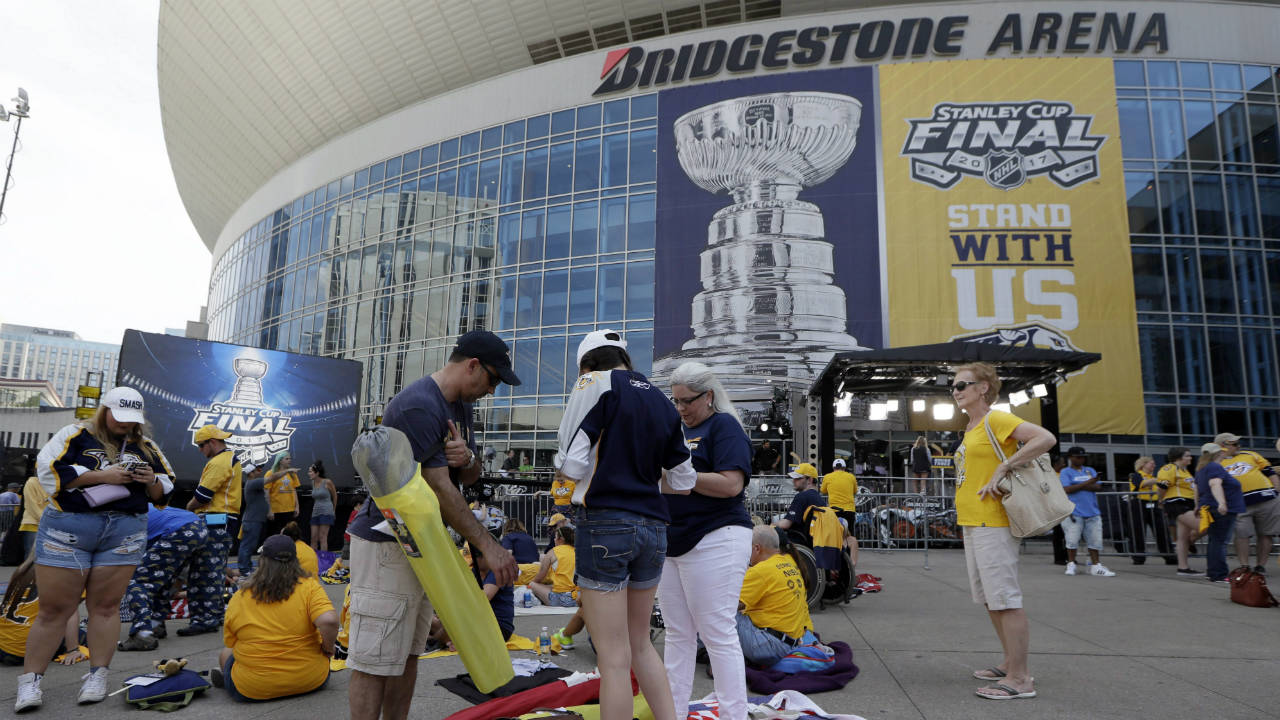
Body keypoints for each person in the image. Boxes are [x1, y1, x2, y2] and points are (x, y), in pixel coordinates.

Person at [345, 330, 519, 720]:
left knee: (408, 653)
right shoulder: (419, 406)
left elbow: (468, 478)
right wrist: (489, 547)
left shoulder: (459, 406)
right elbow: (438, 488)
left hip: (422, 544)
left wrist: (468, 457)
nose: (492, 391)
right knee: (374, 660)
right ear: (472, 365)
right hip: (388, 543)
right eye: (492, 380)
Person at [554, 329, 696, 720]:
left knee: (613, 657)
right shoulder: (662, 400)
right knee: (641, 644)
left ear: (586, 363)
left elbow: (570, 463)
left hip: (605, 523)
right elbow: (684, 481)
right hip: (654, 527)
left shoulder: (591, 383)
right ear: (625, 359)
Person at [18, 387, 175, 711]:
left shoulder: (146, 446)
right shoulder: (74, 434)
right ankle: (30, 682)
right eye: (118, 416)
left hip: (125, 529)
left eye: (131, 419)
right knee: (54, 610)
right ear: (104, 410)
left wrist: (148, 479)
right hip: (70, 527)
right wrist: (103, 475)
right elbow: (47, 472)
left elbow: (164, 490)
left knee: (106, 607)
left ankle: (97, 676)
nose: (124, 424)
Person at [951, 362, 1055, 701]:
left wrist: (1006, 465)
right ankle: (1011, 662)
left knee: (1005, 599)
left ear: (983, 388)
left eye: (963, 384)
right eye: (953, 386)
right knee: (990, 600)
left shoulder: (996, 419)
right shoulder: (972, 426)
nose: (956, 391)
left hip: (992, 521)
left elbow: (1045, 438)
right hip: (974, 520)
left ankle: (1021, 678)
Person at [658, 360, 753, 720]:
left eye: (688, 401)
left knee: (716, 632)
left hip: (717, 535)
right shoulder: (676, 429)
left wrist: (680, 477)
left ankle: (734, 715)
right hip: (674, 540)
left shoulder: (724, 426)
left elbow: (731, 484)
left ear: (709, 396)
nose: (681, 408)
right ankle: (673, 713)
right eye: (676, 401)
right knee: (677, 633)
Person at [214, 535, 338, 702]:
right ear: (295, 559)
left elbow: (231, 641)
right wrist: (328, 647)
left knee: (226, 652)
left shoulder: (241, 595)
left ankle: (228, 678)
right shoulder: (310, 587)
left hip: (252, 689)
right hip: (311, 680)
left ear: (263, 560)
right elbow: (329, 621)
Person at [118, 504, 208, 651]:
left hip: (178, 530)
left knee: (138, 581)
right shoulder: (134, 505)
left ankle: (142, 634)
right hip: (197, 527)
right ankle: (155, 624)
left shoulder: (116, 517)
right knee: (162, 579)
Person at [182, 424, 243, 636]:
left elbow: (202, 496)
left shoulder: (219, 462)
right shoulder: (228, 459)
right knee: (214, 570)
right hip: (224, 520)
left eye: (201, 445)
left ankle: (204, 619)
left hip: (216, 520)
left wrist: (188, 510)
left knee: (204, 570)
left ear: (212, 442)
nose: (200, 450)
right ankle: (214, 615)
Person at [735, 526, 814, 667]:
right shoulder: (790, 565)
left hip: (768, 646)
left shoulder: (761, 571)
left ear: (757, 548)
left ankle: (709, 653)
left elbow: (729, 606)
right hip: (791, 643)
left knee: (715, 613)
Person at [0, 553, 84, 667]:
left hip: (4, 641)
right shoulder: (65, 575)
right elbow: (70, 614)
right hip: (24, 647)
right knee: (87, 636)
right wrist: (73, 650)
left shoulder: (23, 569)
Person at [1214, 433, 1279, 573]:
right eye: (1235, 444)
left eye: (1238, 443)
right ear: (1222, 446)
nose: (1239, 446)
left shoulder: (1251, 455)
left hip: (1267, 499)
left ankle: (1261, 566)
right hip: (1239, 503)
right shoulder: (1216, 462)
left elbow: (1270, 473)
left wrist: (1277, 492)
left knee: (1266, 533)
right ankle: (1244, 565)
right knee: (1242, 534)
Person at [1060, 446, 1115, 577]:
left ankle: (1096, 565)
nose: (1081, 459)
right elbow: (1067, 489)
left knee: (1095, 540)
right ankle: (1071, 563)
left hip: (1092, 511)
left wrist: (1080, 485)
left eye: (1083, 457)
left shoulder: (1090, 470)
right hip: (1074, 511)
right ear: (1071, 458)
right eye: (1078, 457)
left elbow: (1098, 486)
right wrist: (1089, 483)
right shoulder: (1065, 472)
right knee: (1072, 540)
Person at [1194, 443, 1246, 584]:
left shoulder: (1201, 468)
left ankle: (1213, 572)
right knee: (1220, 541)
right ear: (1218, 454)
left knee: (1214, 541)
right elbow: (1215, 484)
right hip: (1221, 509)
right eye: (1222, 452)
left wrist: (1197, 505)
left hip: (1209, 507)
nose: (1225, 453)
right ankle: (1219, 574)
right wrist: (1222, 503)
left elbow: (1197, 488)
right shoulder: (1214, 467)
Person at [1157, 447, 1200, 575]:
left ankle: (1183, 567)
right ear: (1178, 457)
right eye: (1187, 456)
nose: (1190, 458)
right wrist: (1160, 500)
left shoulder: (1185, 471)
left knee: (1182, 538)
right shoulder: (1169, 468)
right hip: (1177, 502)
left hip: (1187, 503)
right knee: (1204, 525)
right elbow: (1162, 486)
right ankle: (1192, 538)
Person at [1125, 456, 1175, 566]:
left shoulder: (1153, 476)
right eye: (1151, 463)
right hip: (1139, 504)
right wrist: (1159, 480)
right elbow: (1141, 484)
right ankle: (1138, 557)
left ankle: (1169, 556)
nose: (1154, 465)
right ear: (1143, 464)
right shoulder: (1136, 475)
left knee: (1162, 530)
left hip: (1155, 504)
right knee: (1137, 531)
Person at [529, 526, 578, 607]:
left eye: (555, 537)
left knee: (533, 584)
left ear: (561, 539)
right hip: (577, 597)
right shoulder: (577, 551)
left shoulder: (552, 552)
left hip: (560, 598)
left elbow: (540, 577)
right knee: (551, 586)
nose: (554, 540)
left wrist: (531, 584)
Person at [775, 463, 823, 537]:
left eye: (798, 478)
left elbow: (786, 524)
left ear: (810, 480)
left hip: (798, 541)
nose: (794, 481)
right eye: (794, 478)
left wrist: (771, 525)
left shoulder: (801, 497)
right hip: (814, 541)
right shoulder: (819, 498)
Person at [238, 462, 269, 574]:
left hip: (254, 520)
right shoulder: (253, 483)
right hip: (252, 520)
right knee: (247, 545)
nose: (259, 472)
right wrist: (285, 471)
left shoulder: (253, 483)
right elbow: (271, 479)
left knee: (249, 545)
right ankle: (244, 569)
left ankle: (246, 567)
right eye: (257, 470)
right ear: (251, 473)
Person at [264, 452, 300, 536]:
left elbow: (294, 490)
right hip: (276, 511)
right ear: (280, 461)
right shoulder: (270, 473)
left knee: (289, 535)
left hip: (289, 510)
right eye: (286, 459)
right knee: (275, 535)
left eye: (290, 458)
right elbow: (266, 493)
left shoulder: (292, 474)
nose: (289, 460)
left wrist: (297, 506)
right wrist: (269, 510)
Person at [308, 460, 338, 552]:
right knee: (313, 538)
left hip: (327, 511)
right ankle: (313, 559)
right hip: (315, 511)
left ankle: (323, 560)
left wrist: (333, 511)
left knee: (322, 537)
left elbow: (335, 496)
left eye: (310, 471)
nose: (308, 473)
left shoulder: (327, 482)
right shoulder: (312, 483)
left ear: (317, 473)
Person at [18, 477, 49, 556]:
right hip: (33, 523)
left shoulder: (56, 482)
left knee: (46, 555)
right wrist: (45, 519)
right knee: (31, 554)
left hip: (50, 524)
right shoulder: (31, 482)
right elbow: (31, 504)